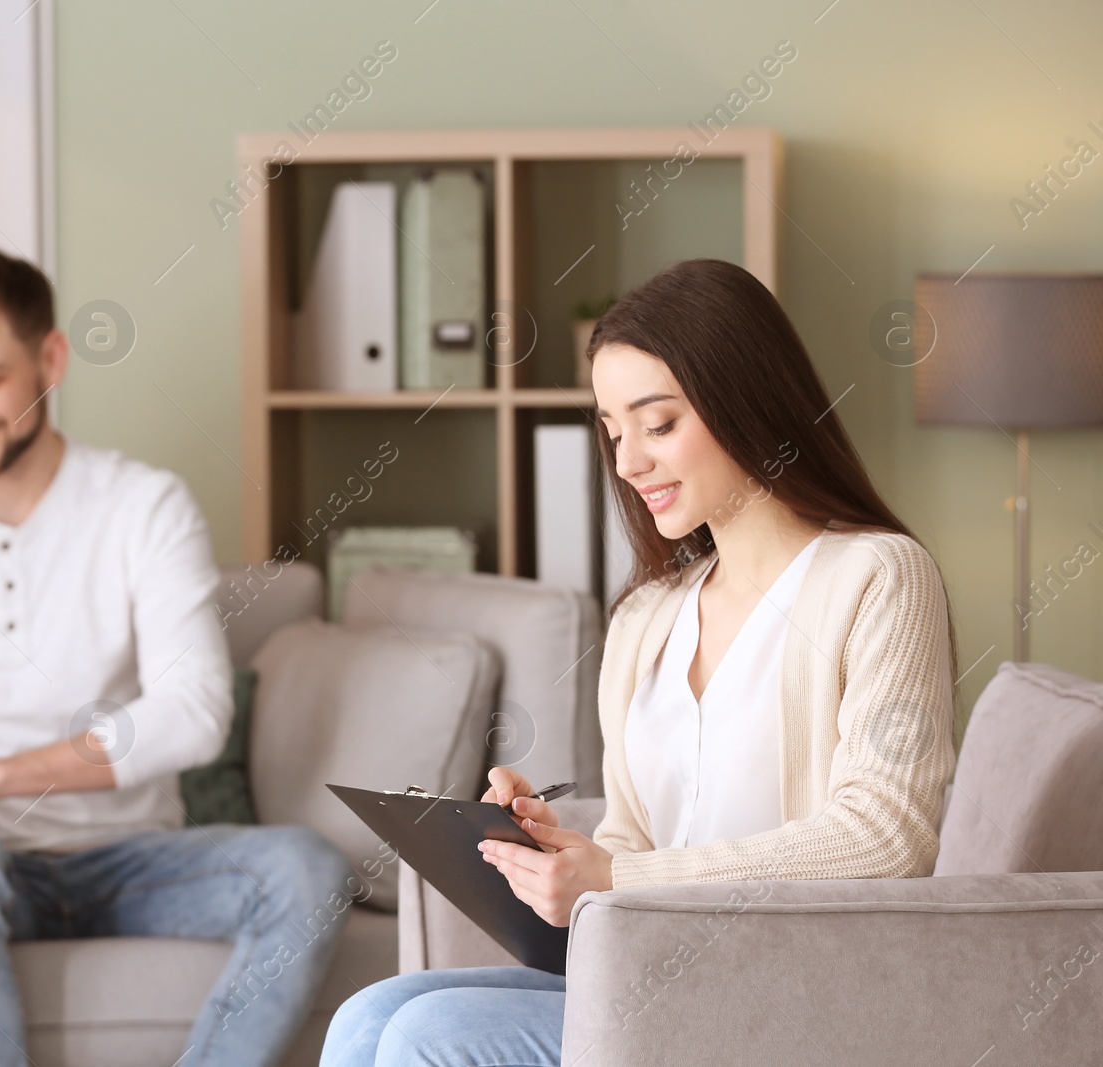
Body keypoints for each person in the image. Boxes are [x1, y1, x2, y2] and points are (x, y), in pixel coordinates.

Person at [322, 258, 959, 1067]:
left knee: (425, 1036)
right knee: (370, 1015)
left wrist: (621, 877)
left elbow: (888, 836)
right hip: (648, 968)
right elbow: (632, 836)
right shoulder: (647, 617)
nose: (627, 464)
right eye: (615, 431)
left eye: (657, 424)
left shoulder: (878, 576)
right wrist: (561, 854)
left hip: (786, 989)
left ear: (748, 398)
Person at [0, 247, 351, 1067]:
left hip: (132, 857)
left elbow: (194, 714)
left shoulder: (144, 505)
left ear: (52, 360)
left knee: (308, 868)